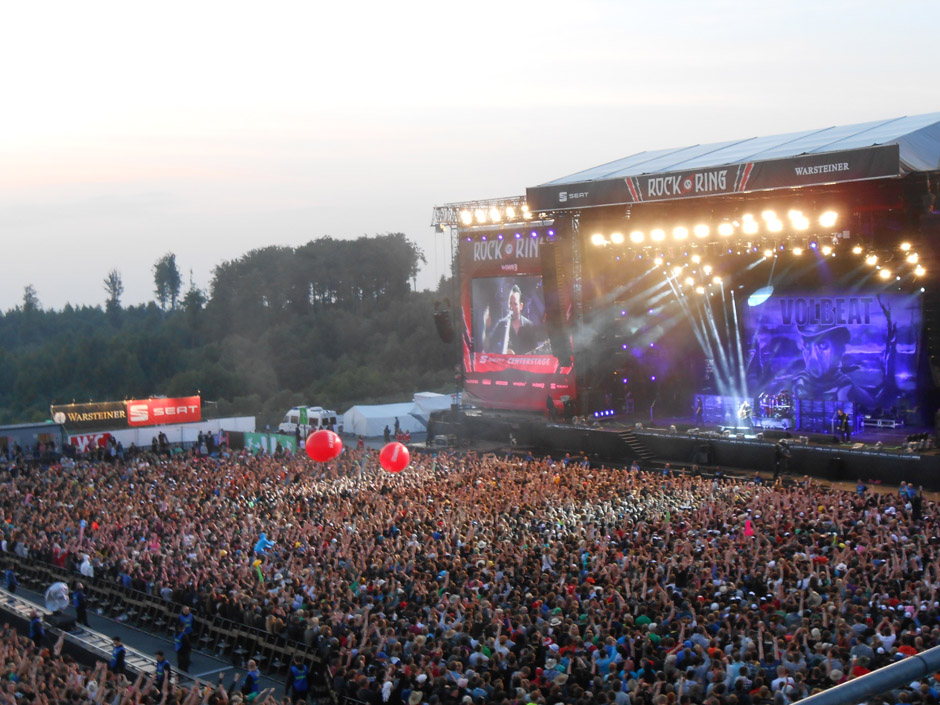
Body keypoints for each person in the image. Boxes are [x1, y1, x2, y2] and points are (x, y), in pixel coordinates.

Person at [791, 322, 874, 404]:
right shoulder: (792, 387)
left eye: (823, 345)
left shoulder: (856, 395)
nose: (814, 356)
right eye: (807, 346)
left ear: (839, 350)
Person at [487, 285, 543, 355]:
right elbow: (491, 350)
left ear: (521, 306)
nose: (511, 307)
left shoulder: (529, 326)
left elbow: (535, 354)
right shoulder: (501, 325)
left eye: (515, 304)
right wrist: (504, 352)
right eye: (510, 303)